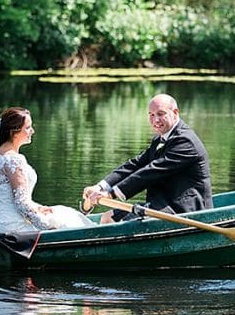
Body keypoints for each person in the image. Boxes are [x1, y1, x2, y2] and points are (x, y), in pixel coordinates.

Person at [82, 94, 212, 224]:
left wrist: (111, 194)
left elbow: (152, 171)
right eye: (151, 115)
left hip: (185, 211)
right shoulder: (160, 139)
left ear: (175, 113)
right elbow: (136, 165)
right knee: (107, 218)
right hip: (162, 205)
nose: (156, 120)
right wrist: (100, 187)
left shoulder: (185, 141)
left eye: (161, 114)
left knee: (120, 224)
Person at [0, 107, 94, 232]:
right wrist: (48, 227)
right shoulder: (13, 160)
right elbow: (21, 203)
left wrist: (38, 208)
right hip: (13, 228)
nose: (33, 131)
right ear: (14, 131)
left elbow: (7, 197)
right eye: (28, 127)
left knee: (61, 211)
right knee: (68, 220)